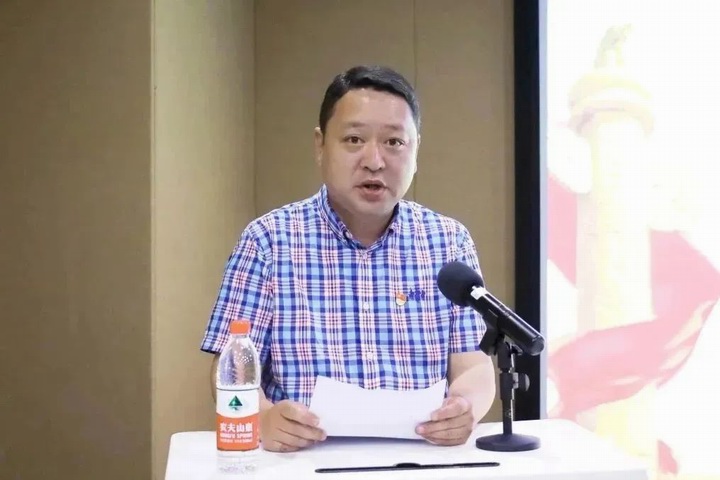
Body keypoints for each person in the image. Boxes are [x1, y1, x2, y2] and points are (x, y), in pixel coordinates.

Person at [200, 65, 496, 453]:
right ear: (320, 145)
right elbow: (230, 366)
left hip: (419, 460)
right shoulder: (268, 241)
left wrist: (465, 407)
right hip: (303, 461)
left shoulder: (448, 241)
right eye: (354, 139)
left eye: (394, 142)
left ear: (416, 150)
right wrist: (262, 418)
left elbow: (474, 364)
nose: (374, 161)